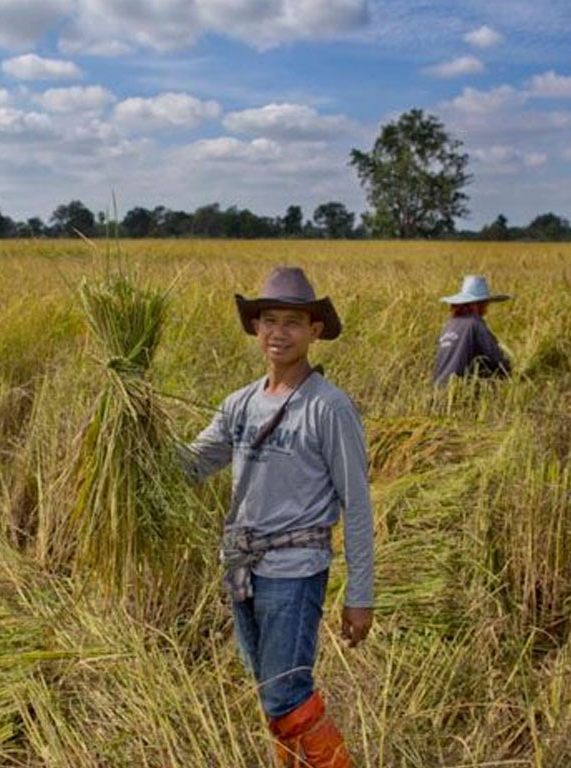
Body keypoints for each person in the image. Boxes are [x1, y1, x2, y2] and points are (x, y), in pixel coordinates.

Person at [183, 266, 374, 768]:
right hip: (242, 566)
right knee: (270, 688)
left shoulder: (329, 408)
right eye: (269, 320)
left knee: (286, 692)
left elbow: (357, 503)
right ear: (254, 328)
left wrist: (360, 595)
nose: (279, 333)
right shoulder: (239, 404)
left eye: (293, 322)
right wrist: (133, 433)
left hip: (294, 569)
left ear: (315, 331)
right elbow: (193, 464)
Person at [433, 275, 511, 387]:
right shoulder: (475, 323)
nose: (486, 308)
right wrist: (511, 372)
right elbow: (495, 359)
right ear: (475, 305)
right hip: (459, 391)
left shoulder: (449, 324)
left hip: (437, 389)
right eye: (484, 304)